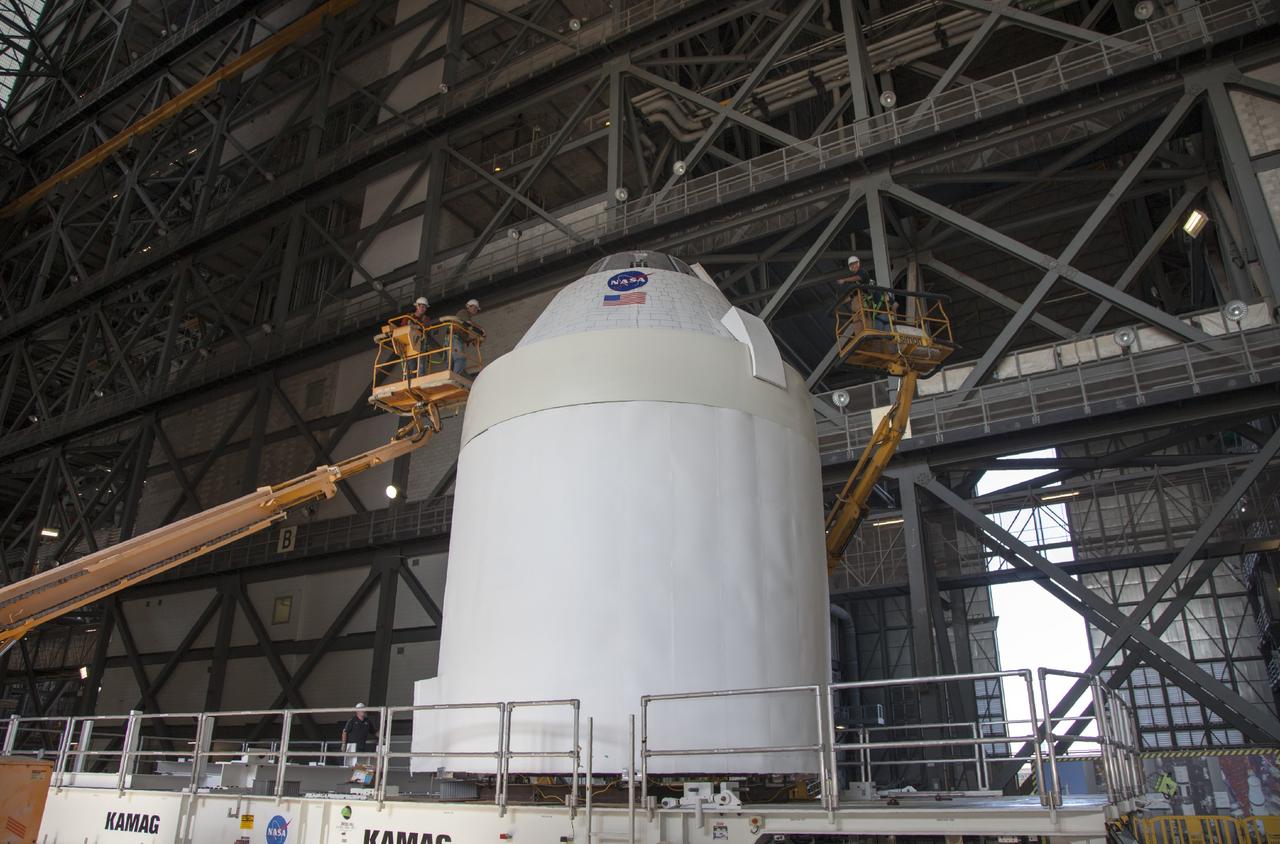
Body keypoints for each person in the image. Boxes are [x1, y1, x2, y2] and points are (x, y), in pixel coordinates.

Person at [449, 299, 483, 375]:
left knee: (453, 362)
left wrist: (471, 340)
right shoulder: (463, 312)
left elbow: (464, 330)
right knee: (460, 359)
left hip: (455, 339)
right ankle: (455, 377)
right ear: (468, 306)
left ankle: (454, 376)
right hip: (454, 338)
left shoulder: (466, 318)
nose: (475, 310)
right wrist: (481, 329)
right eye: (474, 307)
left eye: (477, 309)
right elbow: (468, 323)